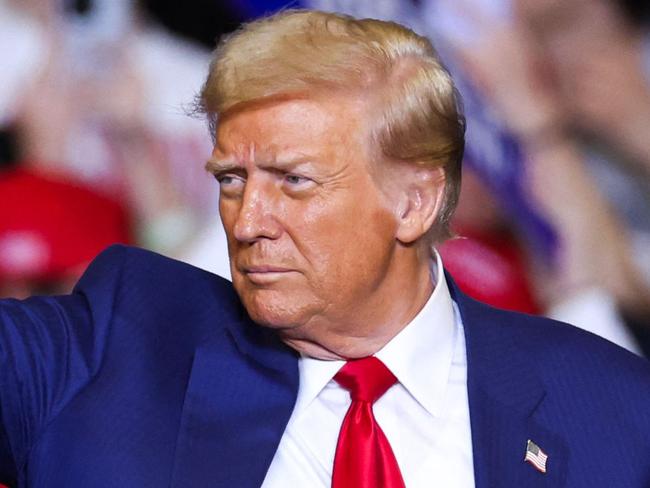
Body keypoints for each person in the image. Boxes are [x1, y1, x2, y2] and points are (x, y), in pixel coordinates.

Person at [1, 9, 650, 488]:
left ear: (414, 202)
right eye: (230, 180)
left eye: (295, 181)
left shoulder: (608, 405)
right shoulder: (103, 352)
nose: (247, 220)